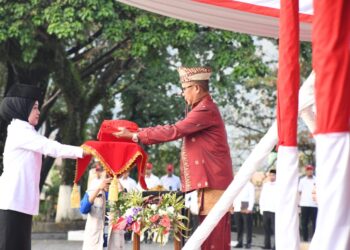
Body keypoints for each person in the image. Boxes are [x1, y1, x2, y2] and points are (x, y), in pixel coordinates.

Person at [115, 66, 234, 250]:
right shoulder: (200, 108)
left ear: (196, 88)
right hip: (207, 184)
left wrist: (135, 135)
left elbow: (174, 131)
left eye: (184, 89)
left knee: (214, 243)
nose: (183, 94)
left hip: (213, 184)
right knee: (206, 240)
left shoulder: (205, 109)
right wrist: (135, 133)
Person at [0, 84, 88, 250]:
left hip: (19, 202)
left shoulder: (26, 131)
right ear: (22, 108)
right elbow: (52, 148)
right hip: (12, 201)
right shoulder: (20, 131)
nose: (38, 112)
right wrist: (84, 151)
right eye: (34, 108)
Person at [80, 167, 124, 250]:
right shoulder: (92, 190)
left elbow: (128, 207)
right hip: (95, 237)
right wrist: (98, 189)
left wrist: (119, 184)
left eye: (110, 177)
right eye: (106, 177)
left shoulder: (119, 192)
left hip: (113, 238)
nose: (108, 180)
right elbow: (83, 209)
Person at [232, 180, 255, 249]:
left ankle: (248, 243)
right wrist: (233, 207)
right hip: (237, 209)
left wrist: (250, 208)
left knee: (248, 227)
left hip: (246, 209)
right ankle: (239, 242)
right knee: (239, 227)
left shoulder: (250, 185)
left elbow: (252, 197)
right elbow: (234, 196)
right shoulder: (236, 184)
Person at [298, 165, 317, 242]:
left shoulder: (317, 180)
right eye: (308, 170)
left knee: (315, 223)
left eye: (311, 170)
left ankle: (315, 240)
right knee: (304, 223)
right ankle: (305, 239)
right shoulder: (302, 180)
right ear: (306, 171)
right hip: (304, 204)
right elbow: (299, 192)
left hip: (314, 205)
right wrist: (299, 203)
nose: (310, 171)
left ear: (313, 171)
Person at [259, 169, 277, 250]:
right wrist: (261, 209)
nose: (271, 176)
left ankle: (276, 246)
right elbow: (262, 197)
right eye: (270, 175)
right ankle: (267, 245)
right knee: (266, 229)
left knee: (275, 229)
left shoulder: (280, 185)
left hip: (274, 210)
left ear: (276, 176)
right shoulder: (265, 185)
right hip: (266, 209)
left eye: (273, 175)